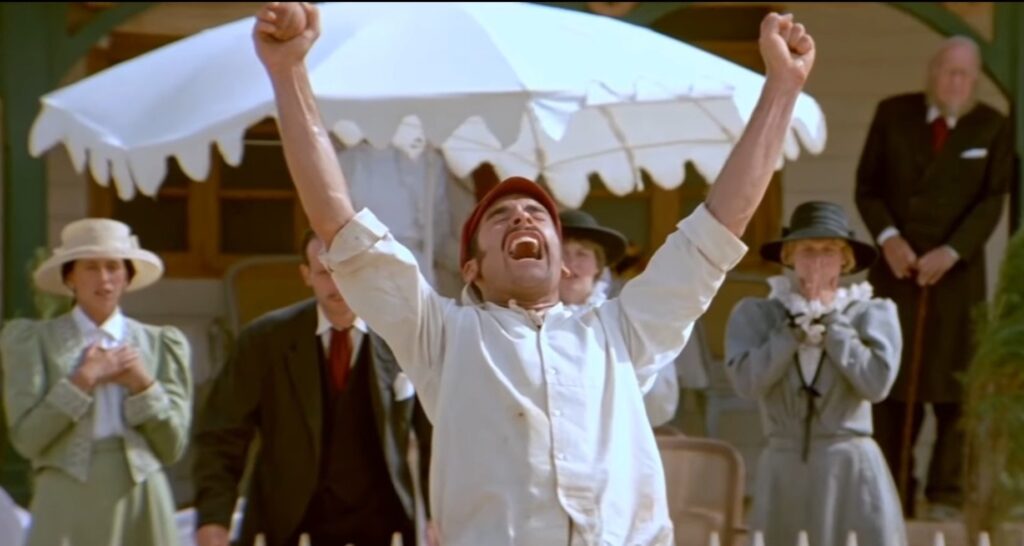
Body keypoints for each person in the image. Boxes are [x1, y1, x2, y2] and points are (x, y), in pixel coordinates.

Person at [252, 2, 816, 543]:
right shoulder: (441, 336)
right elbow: (338, 224)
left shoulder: (622, 332)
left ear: (561, 258)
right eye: (500, 217)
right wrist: (289, 72)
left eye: (536, 214)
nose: (522, 216)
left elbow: (719, 225)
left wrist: (783, 87)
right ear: (471, 269)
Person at [854, 35, 1013, 518]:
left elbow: (994, 199)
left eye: (966, 75)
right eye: (949, 72)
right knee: (893, 385)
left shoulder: (993, 126)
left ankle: (945, 495)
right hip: (896, 271)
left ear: (975, 80)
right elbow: (867, 188)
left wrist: (952, 251)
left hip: (956, 278)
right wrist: (888, 239)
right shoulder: (892, 114)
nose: (956, 82)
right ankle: (892, 492)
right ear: (932, 72)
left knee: (953, 390)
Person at [192, 231, 433, 546]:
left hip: (381, 525)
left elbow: (434, 436)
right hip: (290, 524)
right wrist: (214, 519)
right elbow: (222, 434)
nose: (337, 284)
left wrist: (439, 515)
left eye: (347, 271)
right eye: (324, 272)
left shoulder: (402, 337)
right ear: (306, 275)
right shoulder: (265, 340)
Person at [724, 201, 906, 546]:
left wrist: (834, 325)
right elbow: (747, 383)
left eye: (828, 251)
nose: (818, 261)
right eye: (807, 250)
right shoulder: (757, 315)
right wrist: (791, 333)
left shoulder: (871, 313)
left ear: (845, 260)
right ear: (790, 257)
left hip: (849, 467)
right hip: (784, 468)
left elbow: (876, 384)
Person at [0, 218, 192, 546]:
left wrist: (143, 384)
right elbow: (27, 440)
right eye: (90, 267)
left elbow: (172, 446)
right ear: (70, 277)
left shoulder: (160, 344)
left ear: (127, 277)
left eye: (113, 267)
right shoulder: (35, 341)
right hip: (65, 491)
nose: (104, 279)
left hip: (141, 492)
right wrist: (83, 380)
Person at [558, 209, 680, 428]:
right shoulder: (527, 318)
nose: (570, 263)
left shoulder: (621, 318)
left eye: (582, 254)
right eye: (562, 254)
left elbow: (659, 399)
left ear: (598, 265)